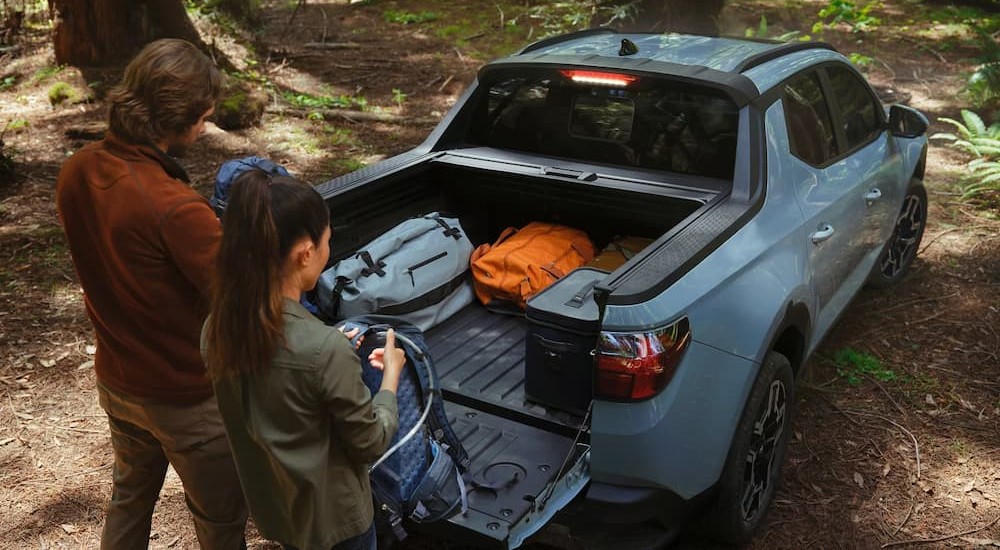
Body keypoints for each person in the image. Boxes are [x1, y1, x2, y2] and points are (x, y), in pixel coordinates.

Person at [55, 39, 248, 549]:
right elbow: (239, 297)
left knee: (129, 498)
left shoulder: (79, 169)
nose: (205, 127)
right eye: (202, 117)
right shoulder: (173, 206)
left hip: (119, 381)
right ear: (176, 119)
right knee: (221, 522)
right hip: (185, 396)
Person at [201, 169, 406, 550]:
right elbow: (370, 442)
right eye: (327, 241)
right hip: (337, 522)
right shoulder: (324, 351)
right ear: (306, 253)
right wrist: (390, 380)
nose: (328, 251)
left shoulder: (217, 328)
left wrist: (326, 351)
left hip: (279, 510)